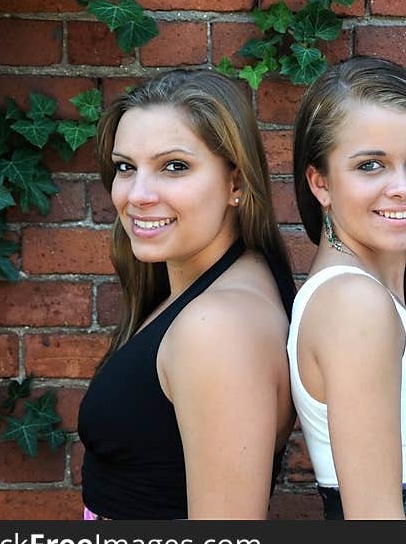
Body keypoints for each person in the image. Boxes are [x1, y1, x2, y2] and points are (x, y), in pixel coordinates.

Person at [77, 69, 296, 519]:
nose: (137, 195)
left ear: (236, 183)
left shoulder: (215, 327)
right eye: (125, 167)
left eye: (173, 166)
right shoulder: (212, 287)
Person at [288, 56, 406, 520]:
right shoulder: (352, 304)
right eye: (371, 165)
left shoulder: (364, 297)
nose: (403, 187)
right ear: (321, 183)